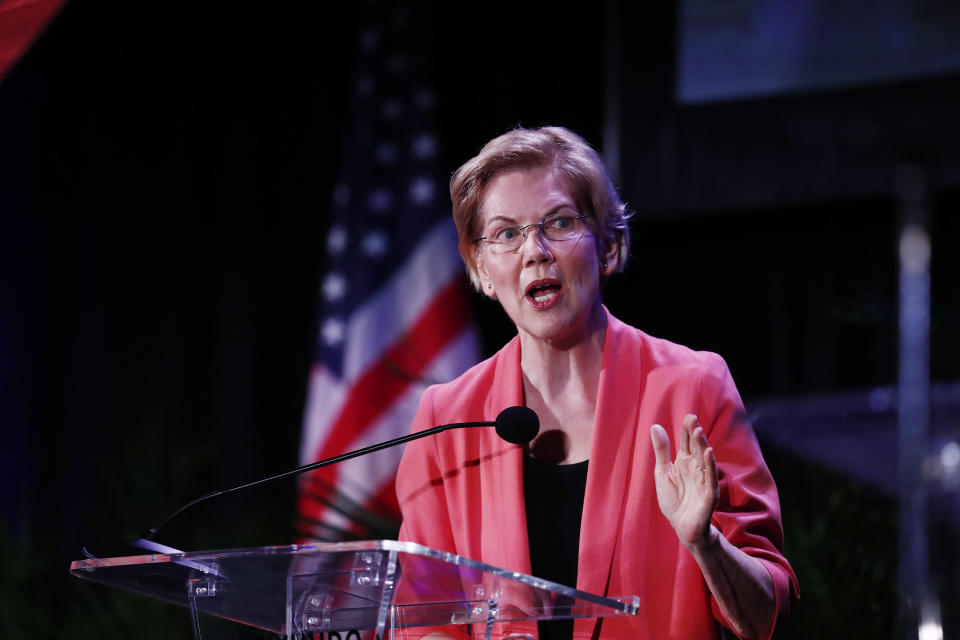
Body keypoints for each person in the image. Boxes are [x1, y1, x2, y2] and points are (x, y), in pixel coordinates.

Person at [395, 126, 798, 640]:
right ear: (483, 271)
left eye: (559, 223)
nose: (535, 251)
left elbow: (768, 617)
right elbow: (421, 619)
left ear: (607, 246)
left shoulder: (692, 388)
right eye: (506, 233)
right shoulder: (446, 418)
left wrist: (706, 543)